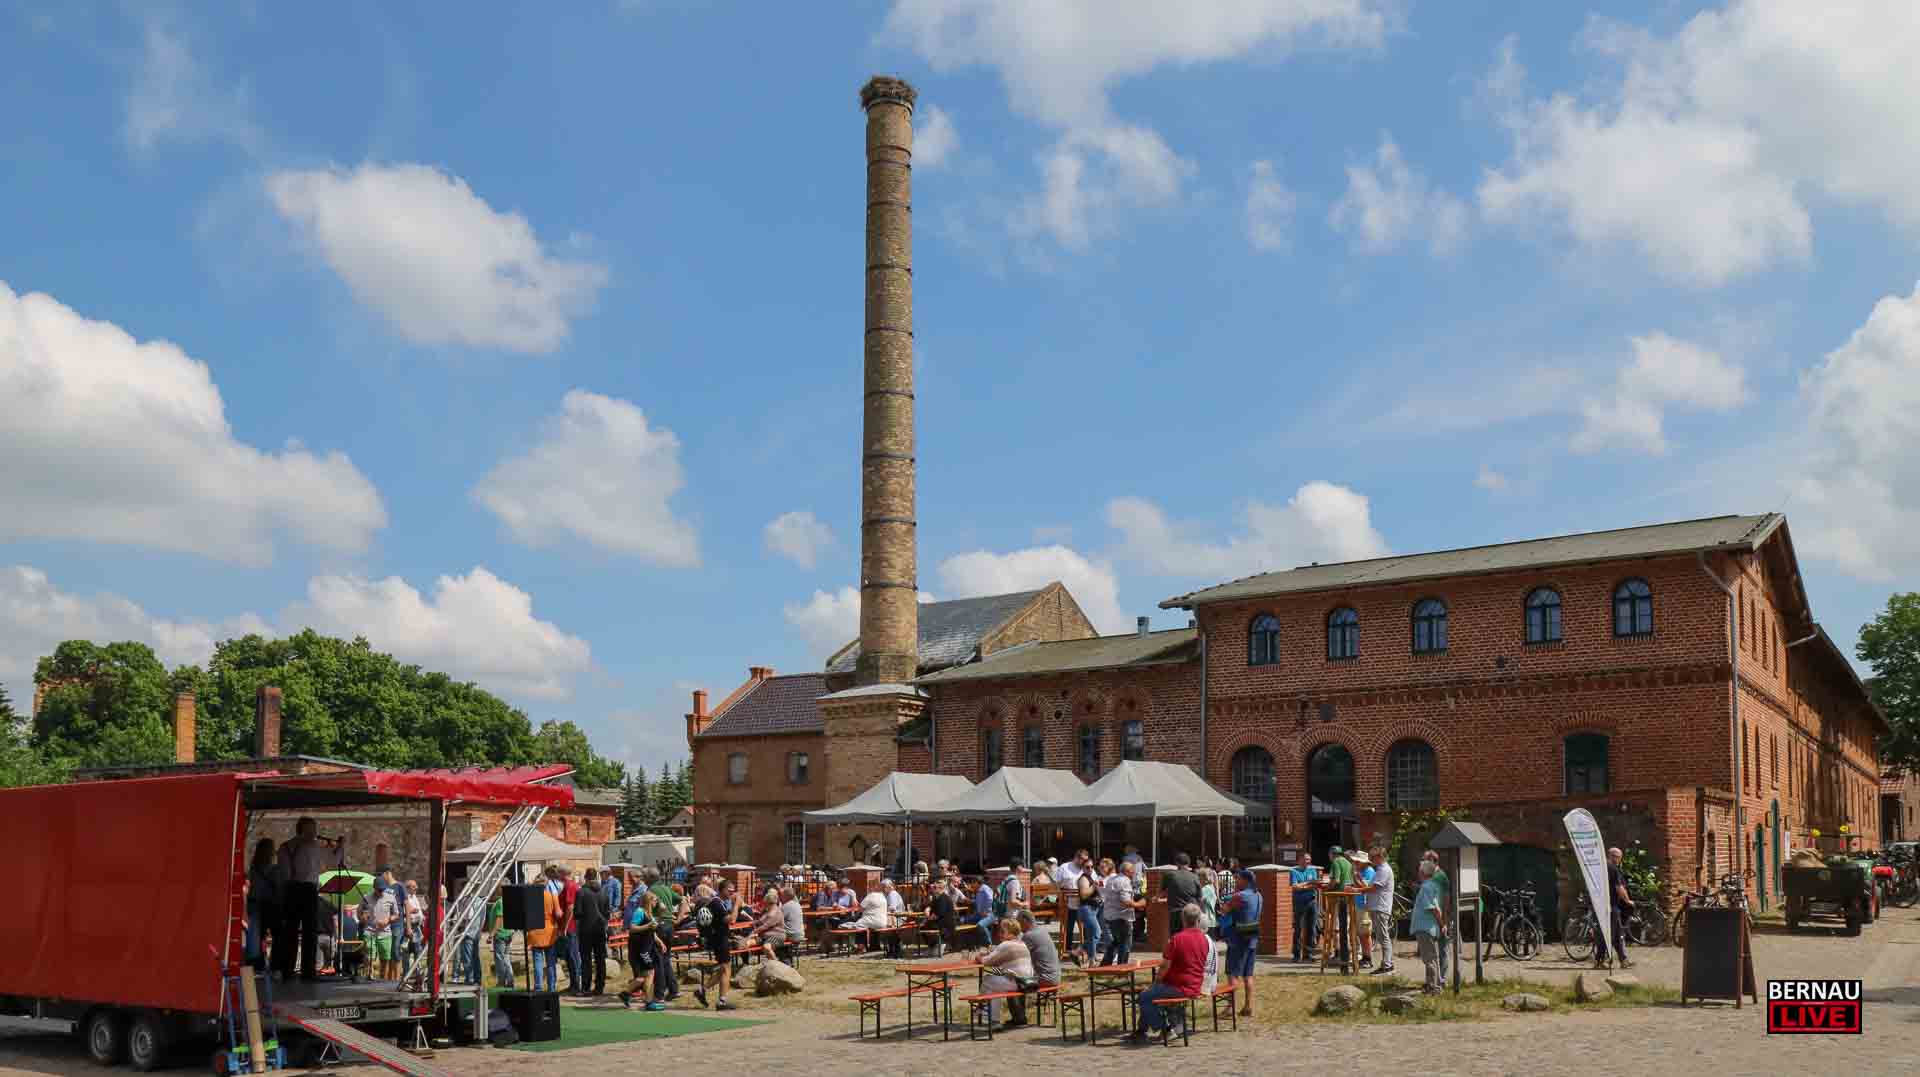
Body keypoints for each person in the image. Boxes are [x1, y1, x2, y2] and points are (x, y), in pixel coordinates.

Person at [1129, 903, 1214, 1045]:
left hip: (1177, 986)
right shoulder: (1204, 940)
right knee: (1150, 995)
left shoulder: (1177, 939)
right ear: (1198, 920)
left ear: (1183, 920)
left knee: (1144, 997)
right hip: (1194, 985)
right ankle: (1141, 1031)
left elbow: (1164, 967)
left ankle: (1167, 1029)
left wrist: (1156, 981)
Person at [274, 817, 329, 981]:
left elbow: (284, 874)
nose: (315, 833)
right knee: (306, 932)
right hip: (303, 889)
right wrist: (338, 849)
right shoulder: (309, 847)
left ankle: (289, 970)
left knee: (294, 932)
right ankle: (306, 972)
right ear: (303, 830)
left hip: (294, 889)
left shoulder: (287, 847)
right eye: (312, 829)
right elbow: (332, 860)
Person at [691, 879, 740, 1011]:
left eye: (733, 891)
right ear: (722, 889)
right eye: (729, 890)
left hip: (718, 938)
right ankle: (722, 1002)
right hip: (719, 939)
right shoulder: (717, 903)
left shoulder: (718, 902)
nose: (732, 893)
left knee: (723, 969)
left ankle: (702, 990)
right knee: (726, 969)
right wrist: (737, 904)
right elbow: (732, 920)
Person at [617, 891, 670, 1011]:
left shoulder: (649, 913)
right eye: (655, 900)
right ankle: (649, 1002)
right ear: (649, 900)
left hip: (648, 947)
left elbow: (651, 931)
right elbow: (632, 927)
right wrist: (648, 926)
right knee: (650, 973)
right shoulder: (640, 912)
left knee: (644, 976)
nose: (656, 902)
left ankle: (626, 993)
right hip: (642, 950)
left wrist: (660, 942)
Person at [978, 918, 1034, 1029]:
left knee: (987, 980)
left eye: (1002, 931)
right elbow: (1000, 963)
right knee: (993, 987)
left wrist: (978, 957)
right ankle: (993, 1020)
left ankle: (982, 1007)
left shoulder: (1006, 945)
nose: (999, 934)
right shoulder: (1022, 944)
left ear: (1011, 932)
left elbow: (986, 961)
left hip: (1016, 982)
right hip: (1027, 983)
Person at [1219, 868, 1259, 1018]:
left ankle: (1230, 1008)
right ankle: (1248, 1006)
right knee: (1248, 975)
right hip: (1253, 935)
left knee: (1232, 973)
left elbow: (1224, 910)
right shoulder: (1258, 895)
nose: (1236, 881)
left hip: (1238, 937)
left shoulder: (1239, 896)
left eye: (1238, 879)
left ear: (1245, 880)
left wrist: (1231, 896)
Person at [1411, 860, 1448, 995]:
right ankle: (1431, 984)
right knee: (1430, 958)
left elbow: (1435, 909)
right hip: (1427, 927)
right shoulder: (1432, 885)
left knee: (1430, 958)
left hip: (1425, 927)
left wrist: (1442, 924)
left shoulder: (1426, 887)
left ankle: (1434, 987)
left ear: (1422, 873)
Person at [245, 837, 281, 972]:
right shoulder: (274, 869)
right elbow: (278, 886)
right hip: (269, 904)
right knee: (277, 934)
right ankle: (275, 963)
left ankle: (256, 962)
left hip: (254, 903)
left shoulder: (253, 868)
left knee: (256, 934)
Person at [573, 868, 610, 997]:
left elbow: (577, 913)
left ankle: (586, 987)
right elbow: (607, 913)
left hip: (585, 930)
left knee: (586, 959)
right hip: (599, 929)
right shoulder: (604, 892)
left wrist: (577, 928)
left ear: (586, 877)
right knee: (600, 959)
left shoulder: (581, 892)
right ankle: (600, 987)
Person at [526, 874, 562, 993]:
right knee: (551, 962)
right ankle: (551, 987)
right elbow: (558, 914)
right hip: (549, 932)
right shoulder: (552, 896)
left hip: (535, 931)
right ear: (546, 884)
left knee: (537, 962)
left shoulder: (529, 898)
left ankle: (538, 987)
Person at [1100, 859, 1141, 966]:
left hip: (1111, 915)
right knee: (1125, 944)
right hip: (1121, 917)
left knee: (1116, 942)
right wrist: (1140, 904)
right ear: (1127, 871)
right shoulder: (1124, 881)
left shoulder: (1112, 879)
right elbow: (1125, 901)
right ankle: (1121, 968)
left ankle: (1105, 965)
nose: (1134, 874)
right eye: (1132, 871)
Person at [1366, 845, 1396, 974]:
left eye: (1373, 857)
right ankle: (1386, 963)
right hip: (1377, 906)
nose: (1371, 860)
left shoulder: (1384, 870)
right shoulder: (1379, 869)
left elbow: (1374, 888)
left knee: (1383, 937)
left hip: (1380, 907)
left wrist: (1358, 890)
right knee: (1381, 936)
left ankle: (1387, 965)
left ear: (1380, 857)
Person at [1604, 846, 1635, 969]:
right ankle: (1603, 960)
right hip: (1612, 906)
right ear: (1613, 857)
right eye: (1617, 857)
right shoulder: (1613, 869)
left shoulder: (1603, 867)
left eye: (1619, 858)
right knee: (1611, 934)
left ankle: (1623, 960)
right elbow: (1619, 888)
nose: (1618, 860)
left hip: (1605, 905)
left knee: (1616, 934)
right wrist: (1628, 901)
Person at [1016, 909, 1060, 992]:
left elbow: (1016, 956)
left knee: (1014, 982)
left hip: (1044, 979)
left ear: (1025, 921)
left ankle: (1017, 1005)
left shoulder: (1029, 936)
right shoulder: (1042, 931)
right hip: (1055, 977)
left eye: (1018, 922)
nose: (1018, 926)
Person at [1161, 852, 1202, 941]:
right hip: (1191, 912)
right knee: (1191, 938)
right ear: (1188, 863)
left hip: (1176, 912)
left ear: (1177, 863)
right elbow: (1199, 897)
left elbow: (1161, 892)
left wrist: (1156, 898)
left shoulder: (1169, 875)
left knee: (1175, 938)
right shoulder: (1195, 877)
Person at [1055, 849, 1087, 962]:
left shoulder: (1087, 867)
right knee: (1068, 928)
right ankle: (1067, 950)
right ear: (1076, 858)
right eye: (1082, 860)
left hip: (1084, 903)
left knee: (1086, 928)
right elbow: (1057, 884)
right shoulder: (1064, 867)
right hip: (1068, 903)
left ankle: (1085, 951)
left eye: (1085, 860)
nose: (1083, 862)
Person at [1289, 851, 1320, 962]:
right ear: (1299, 860)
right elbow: (1295, 887)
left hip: (1312, 902)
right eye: (1305, 859)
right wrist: (1308, 884)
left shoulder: (1312, 870)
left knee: (1311, 929)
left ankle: (1308, 954)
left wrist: (1303, 885)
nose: (1308, 861)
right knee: (1298, 928)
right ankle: (1296, 955)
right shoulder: (1293, 871)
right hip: (1299, 903)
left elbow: (1315, 884)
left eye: (1309, 859)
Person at [1327, 846, 1355, 971]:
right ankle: (1346, 958)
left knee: (1340, 929)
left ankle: (1343, 959)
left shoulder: (1336, 862)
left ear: (1332, 854)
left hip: (1339, 897)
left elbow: (1336, 880)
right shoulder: (1348, 863)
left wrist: (1327, 888)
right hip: (1349, 898)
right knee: (1346, 930)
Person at [1349, 849, 1375, 969]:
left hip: (1365, 905)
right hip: (1358, 904)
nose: (1355, 864)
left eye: (1358, 862)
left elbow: (1366, 887)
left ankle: (1368, 958)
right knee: (1360, 933)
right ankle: (1364, 957)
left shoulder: (1369, 871)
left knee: (1365, 933)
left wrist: (1357, 878)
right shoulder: (1359, 871)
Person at [488, 885, 514, 988]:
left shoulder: (500, 902)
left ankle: (501, 981)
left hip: (500, 934)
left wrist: (491, 934)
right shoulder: (509, 901)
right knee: (506, 958)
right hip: (508, 933)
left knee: (499, 959)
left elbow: (499, 918)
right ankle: (510, 980)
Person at [927, 877, 958, 957]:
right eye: (933, 888)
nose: (932, 889)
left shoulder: (943, 898)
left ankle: (940, 944)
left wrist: (929, 917)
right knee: (924, 927)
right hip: (941, 921)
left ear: (940, 889)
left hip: (946, 924)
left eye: (935, 888)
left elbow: (939, 913)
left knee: (927, 927)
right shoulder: (937, 897)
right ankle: (934, 946)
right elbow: (931, 906)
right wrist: (928, 908)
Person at [971, 876, 996, 950]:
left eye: (973, 882)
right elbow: (979, 902)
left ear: (978, 882)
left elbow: (990, 899)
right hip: (980, 914)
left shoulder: (985, 888)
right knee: (964, 920)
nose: (972, 884)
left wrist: (986, 911)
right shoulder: (978, 890)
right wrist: (970, 901)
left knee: (980, 925)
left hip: (989, 914)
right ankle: (975, 944)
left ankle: (989, 944)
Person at [1196, 867, 1219, 934]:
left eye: (1198, 877)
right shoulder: (1211, 887)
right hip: (1211, 920)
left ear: (1202, 878)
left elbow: (1199, 901)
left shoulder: (1205, 889)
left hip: (1205, 920)